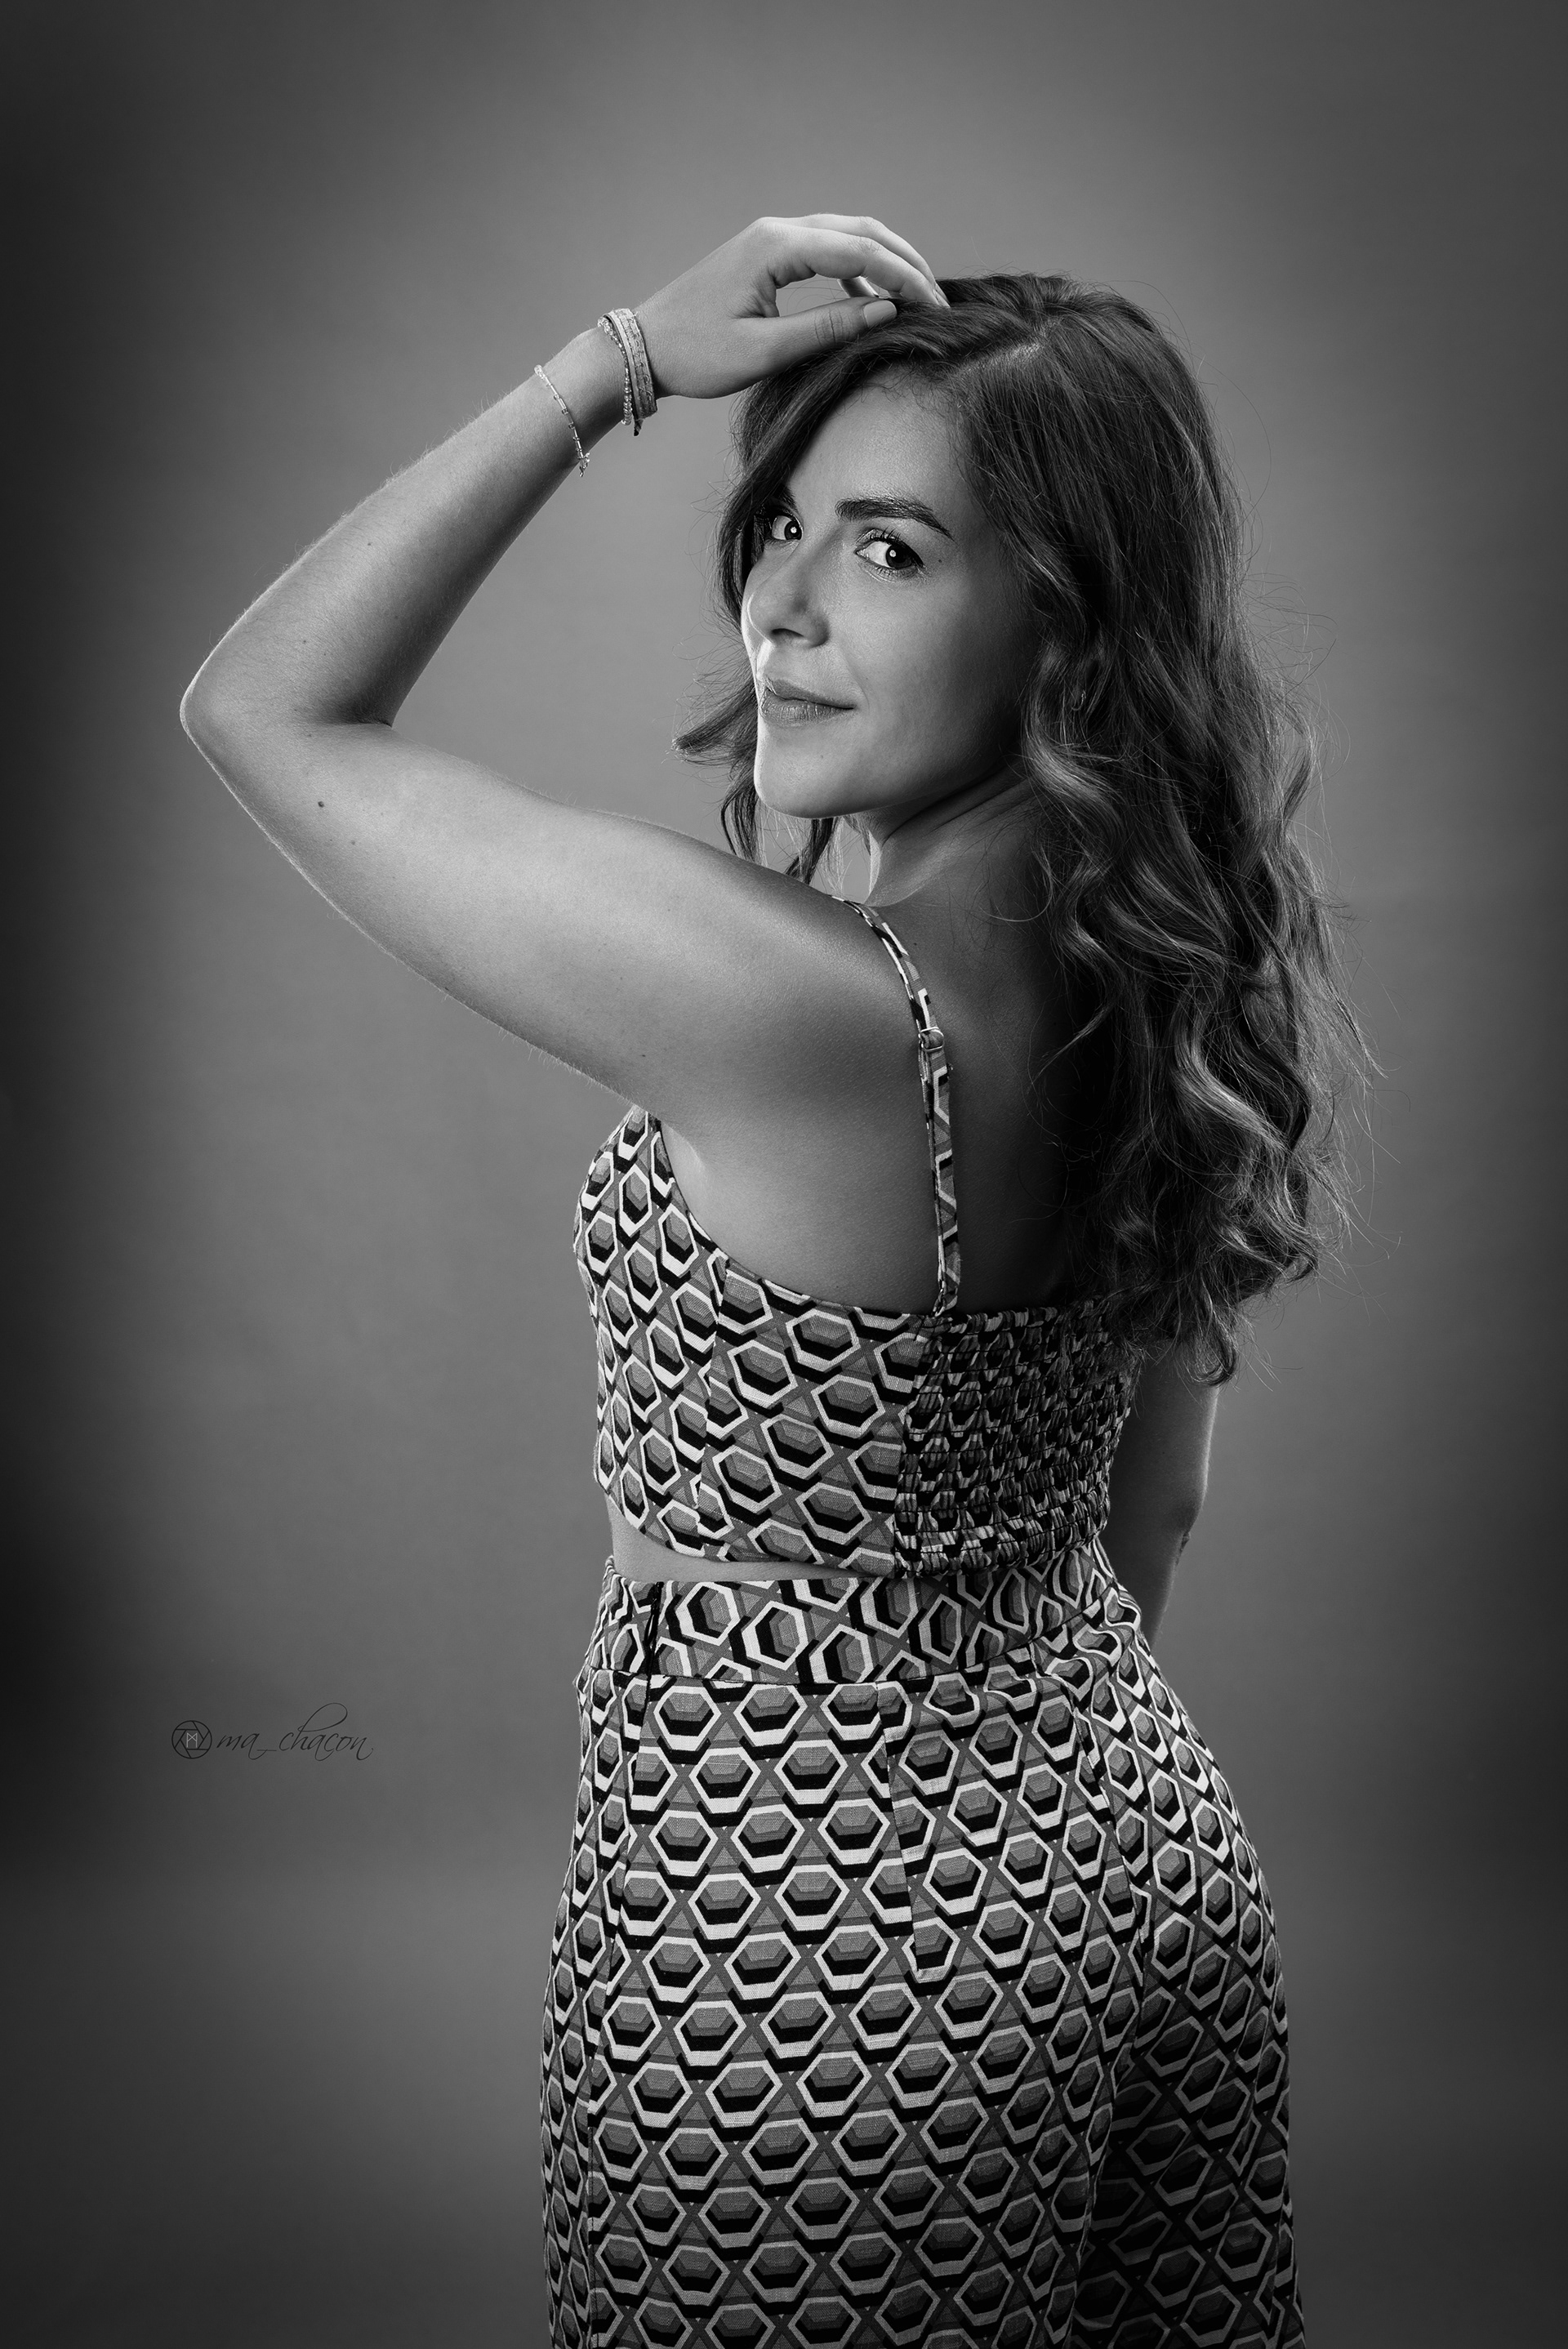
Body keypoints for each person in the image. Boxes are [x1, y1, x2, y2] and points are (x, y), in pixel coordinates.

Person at [183, 212, 1351, 2347]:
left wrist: (620, 361)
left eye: (889, 550)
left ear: (1066, 624)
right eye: (784, 523)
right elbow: (1155, 1505)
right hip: (1133, 1853)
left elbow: (261, 709)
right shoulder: (1163, 982)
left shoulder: (808, 1013)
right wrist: (1011, 1849)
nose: (784, 605)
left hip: (812, 1981)